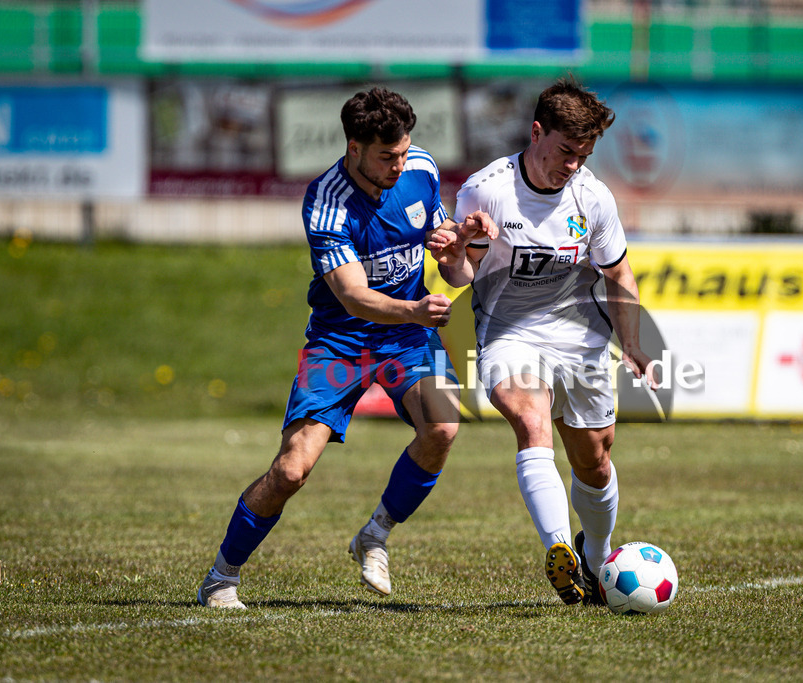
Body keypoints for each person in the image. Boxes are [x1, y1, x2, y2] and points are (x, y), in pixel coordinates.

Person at [197, 86, 497, 609]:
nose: (399, 166)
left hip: (405, 337)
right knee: (292, 469)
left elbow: (457, 270)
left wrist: (464, 246)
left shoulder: (420, 169)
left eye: (404, 152)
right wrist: (416, 309)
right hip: (342, 342)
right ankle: (221, 578)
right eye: (387, 157)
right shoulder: (326, 201)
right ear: (353, 148)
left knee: (443, 427)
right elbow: (355, 298)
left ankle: (375, 533)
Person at [433, 78, 656, 606]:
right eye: (565, 151)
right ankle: (558, 549)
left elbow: (618, 274)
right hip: (508, 330)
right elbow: (460, 278)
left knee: (595, 461)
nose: (574, 164)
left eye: (584, 154)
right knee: (530, 420)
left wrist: (634, 344)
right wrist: (458, 247)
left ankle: (596, 557)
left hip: (580, 335)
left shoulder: (593, 197)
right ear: (537, 133)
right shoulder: (486, 189)